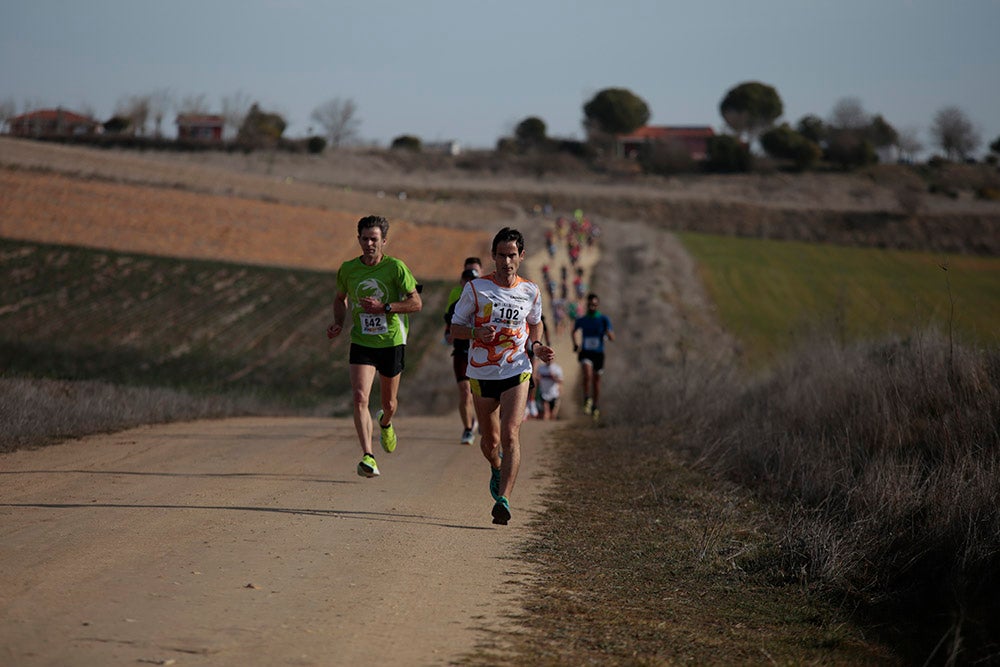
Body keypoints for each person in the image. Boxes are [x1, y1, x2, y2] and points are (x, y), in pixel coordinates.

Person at [450, 227, 554, 525]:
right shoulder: (476, 289)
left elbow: (535, 323)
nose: (506, 262)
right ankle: (496, 467)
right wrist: (475, 332)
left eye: (512, 255)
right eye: (501, 255)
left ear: (521, 256)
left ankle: (504, 499)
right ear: (493, 257)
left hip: (516, 368)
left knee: (510, 434)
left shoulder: (531, 291)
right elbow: (455, 328)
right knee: (490, 441)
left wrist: (536, 345)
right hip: (482, 372)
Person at [327, 215, 422, 478]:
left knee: (389, 403)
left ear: (384, 241)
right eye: (365, 238)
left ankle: (386, 422)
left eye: (375, 239)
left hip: (391, 341)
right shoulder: (348, 269)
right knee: (359, 397)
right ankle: (368, 456)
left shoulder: (396, 268)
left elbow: (416, 303)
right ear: (358, 239)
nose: (370, 243)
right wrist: (338, 322)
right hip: (362, 340)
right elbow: (340, 298)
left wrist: (386, 308)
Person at [443, 263, 481, 445]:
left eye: (473, 280)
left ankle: (484, 423)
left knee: (480, 394)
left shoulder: (485, 303)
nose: (469, 283)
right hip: (460, 353)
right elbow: (448, 328)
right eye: (467, 280)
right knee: (465, 392)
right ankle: (467, 429)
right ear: (462, 282)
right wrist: (449, 335)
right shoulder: (454, 306)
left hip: (481, 354)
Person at [572, 292, 614, 420]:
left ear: (597, 305)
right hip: (586, 352)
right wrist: (575, 344)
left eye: (595, 304)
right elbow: (574, 330)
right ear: (587, 304)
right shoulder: (583, 320)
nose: (592, 306)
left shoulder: (603, 319)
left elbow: (612, 337)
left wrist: (608, 332)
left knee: (596, 382)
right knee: (587, 374)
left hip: (598, 354)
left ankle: (595, 406)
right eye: (590, 304)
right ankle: (586, 399)